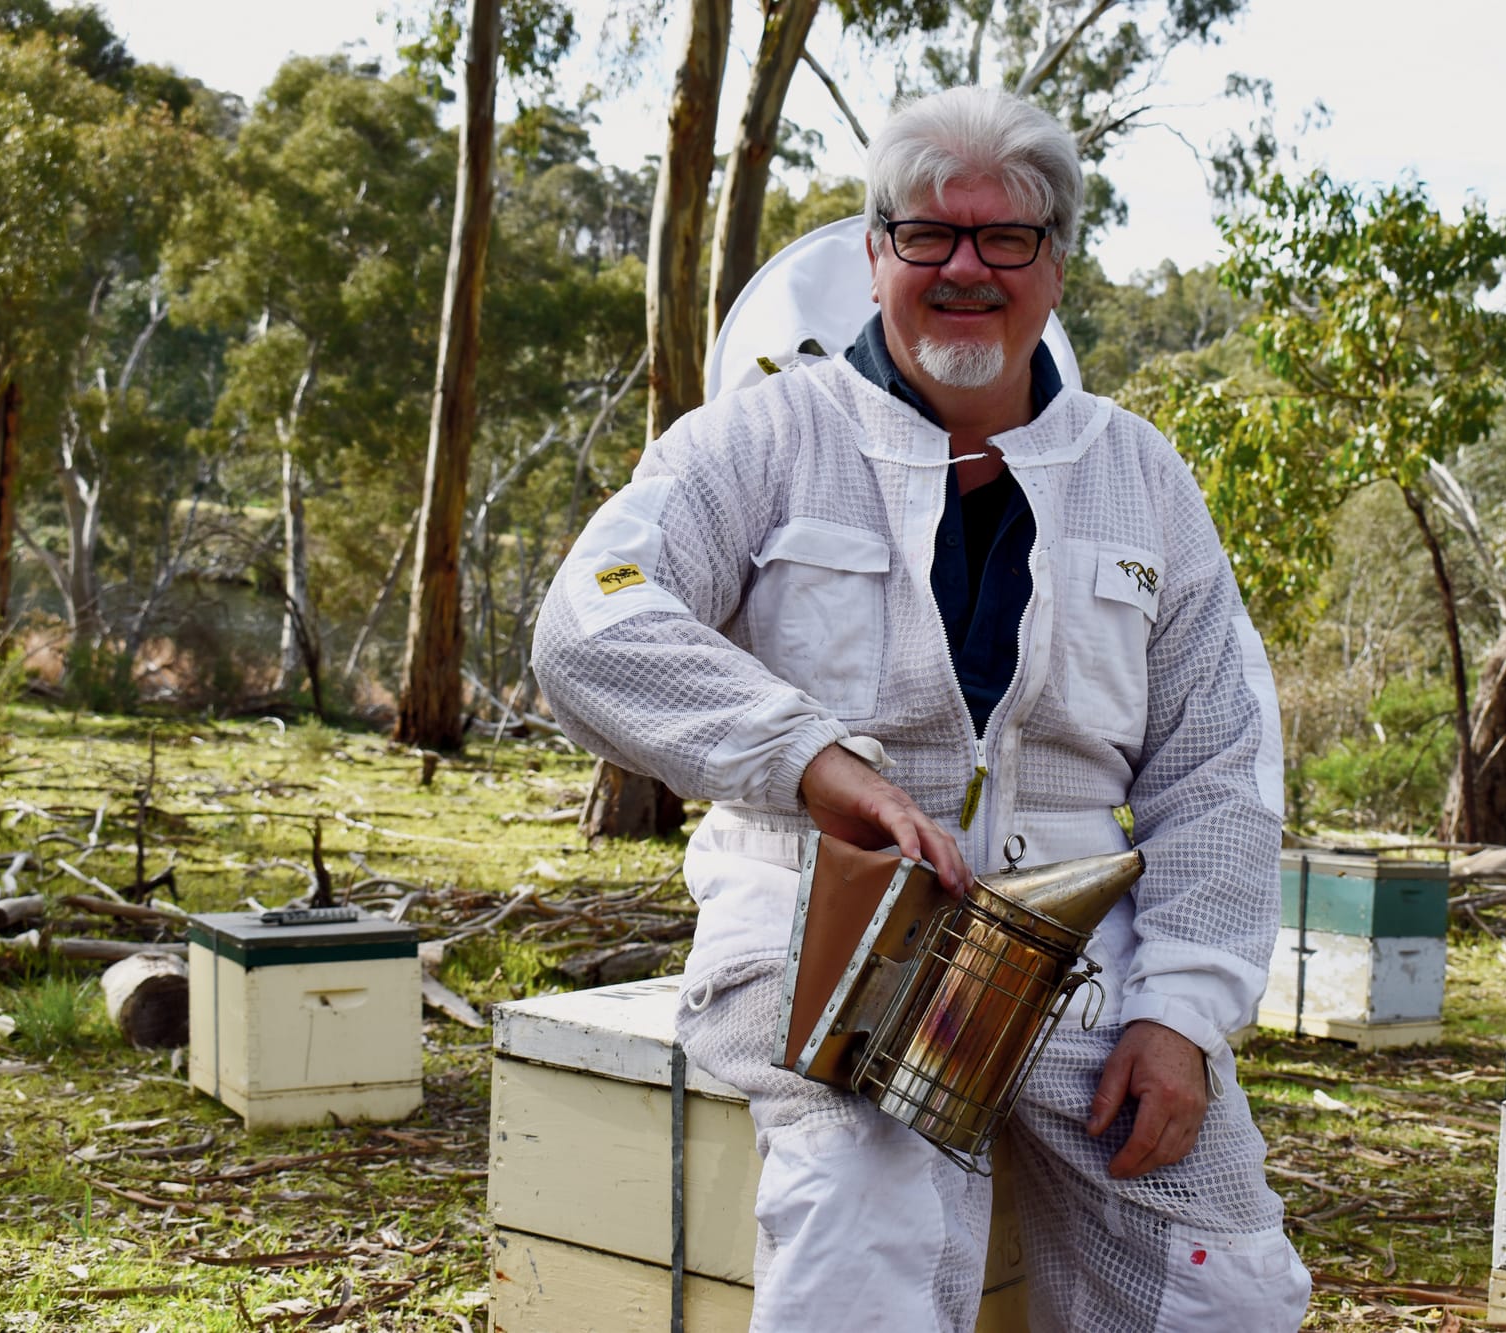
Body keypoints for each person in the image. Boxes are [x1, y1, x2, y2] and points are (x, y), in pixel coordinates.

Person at [531, 85, 1309, 1332]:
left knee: (1222, 1276)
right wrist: (810, 761)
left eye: (1005, 237)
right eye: (926, 236)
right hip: (818, 929)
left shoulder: (1138, 476)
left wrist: (1178, 1016)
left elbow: (1215, 764)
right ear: (872, 252)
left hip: (1071, 956)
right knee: (868, 1215)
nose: (965, 268)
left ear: (1054, 263)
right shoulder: (761, 439)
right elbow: (589, 622)